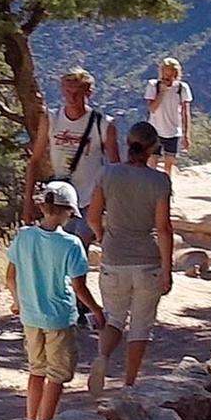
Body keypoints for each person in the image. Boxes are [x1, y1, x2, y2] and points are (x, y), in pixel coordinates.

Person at [6, 180, 103, 420]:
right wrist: (97, 310)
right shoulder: (71, 244)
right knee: (57, 375)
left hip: (30, 315)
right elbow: (79, 287)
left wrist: (17, 301)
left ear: (43, 206)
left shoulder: (24, 236)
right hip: (59, 317)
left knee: (36, 370)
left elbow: (10, 276)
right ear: (68, 211)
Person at [86, 122, 176, 391]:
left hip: (114, 258)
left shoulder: (107, 174)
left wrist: (103, 236)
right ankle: (128, 383)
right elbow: (163, 228)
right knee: (140, 326)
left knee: (114, 318)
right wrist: (168, 270)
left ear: (128, 142)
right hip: (147, 261)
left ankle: (102, 356)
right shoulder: (160, 181)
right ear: (153, 148)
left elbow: (92, 217)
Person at [29, 67, 119, 246]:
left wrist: (112, 204)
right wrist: (28, 202)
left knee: (79, 248)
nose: (71, 97)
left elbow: (115, 168)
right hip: (59, 199)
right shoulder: (51, 119)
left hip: (89, 199)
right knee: (57, 247)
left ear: (89, 93)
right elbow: (35, 160)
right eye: (67, 92)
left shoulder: (102, 124)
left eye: (77, 93)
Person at [145, 58, 194, 174]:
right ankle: (151, 188)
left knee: (169, 164)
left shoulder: (182, 88)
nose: (167, 79)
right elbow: (152, 108)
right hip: (154, 130)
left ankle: (167, 187)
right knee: (152, 162)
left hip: (173, 131)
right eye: (164, 75)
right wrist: (162, 92)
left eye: (170, 76)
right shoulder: (153, 86)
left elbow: (185, 112)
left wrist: (186, 135)